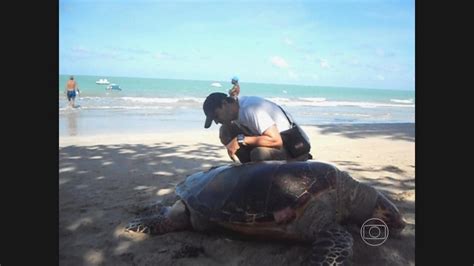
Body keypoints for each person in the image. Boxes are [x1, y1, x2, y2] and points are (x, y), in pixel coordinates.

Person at [203, 92, 311, 163]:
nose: (217, 122)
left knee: (259, 154)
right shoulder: (236, 108)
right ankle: (249, 167)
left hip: (293, 147)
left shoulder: (251, 110)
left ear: (225, 103)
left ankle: (260, 179)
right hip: (274, 141)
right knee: (225, 131)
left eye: (216, 116)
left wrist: (240, 140)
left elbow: (276, 141)